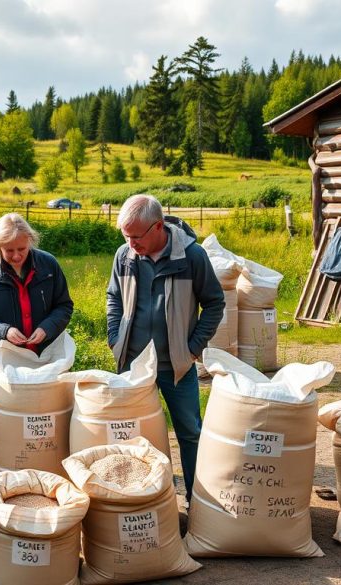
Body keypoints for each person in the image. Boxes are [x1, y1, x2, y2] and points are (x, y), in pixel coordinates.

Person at [106, 194, 225, 494]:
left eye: (136, 236)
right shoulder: (124, 256)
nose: (131, 244)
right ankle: (141, 498)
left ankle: (197, 502)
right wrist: (115, 338)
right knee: (130, 435)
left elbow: (214, 304)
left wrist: (193, 348)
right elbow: (114, 298)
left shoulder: (192, 257)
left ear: (158, 226)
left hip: (176, 367)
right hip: (131, 365)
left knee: (190, 433)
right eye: (126, 236)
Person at [0, 213, 74, 397]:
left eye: (21, 249)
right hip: (1, 365)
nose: (16, 256)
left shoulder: (48, 265)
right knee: (9, 421)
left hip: (46, 361)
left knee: (47, 418)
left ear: (30, 240)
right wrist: (4, 331)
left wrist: (47, 327)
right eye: (9, 250)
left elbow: (64, 306)